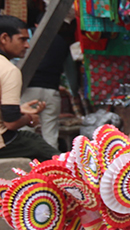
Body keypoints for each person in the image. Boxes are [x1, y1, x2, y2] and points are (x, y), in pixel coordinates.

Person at [0, 16, 54, 160]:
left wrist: (18, 110)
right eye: (22, 39)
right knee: (42, 148)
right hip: (3, 143)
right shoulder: (8, 70)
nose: (27, 45)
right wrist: (30, 118)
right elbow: (11, 123)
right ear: (4, 38)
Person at [22, 21, 74, 151]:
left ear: (36, 25)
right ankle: (52, 166)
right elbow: (70, 70)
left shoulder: (29, 39)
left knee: (26, 131)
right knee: (51, 134)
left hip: (29, 90)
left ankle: (27, 167)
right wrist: (73, 90)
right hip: (52, 91)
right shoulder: (61, 41)